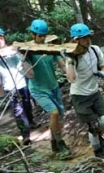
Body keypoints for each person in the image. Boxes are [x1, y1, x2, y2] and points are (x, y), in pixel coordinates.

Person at [63, 23, 104, 161]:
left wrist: (102, 73)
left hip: (94, 92)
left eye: (88, 36)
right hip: (80, 96)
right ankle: (98, 152)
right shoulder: (72, 57)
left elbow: (103, 65)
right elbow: (71, 79)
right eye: (84, 38)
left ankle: (97, 135)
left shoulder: (95, 50)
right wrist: (69, 60)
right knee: (93, 125)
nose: (87, 40)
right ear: (76, 40)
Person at [25, 19, 72, 159]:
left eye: (44, 36)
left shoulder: (50, 48)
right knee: (54, 113)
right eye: (39, 36)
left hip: (53, 86)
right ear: (33, 35)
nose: (42, 38)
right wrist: (22, 58)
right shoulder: (28, 51)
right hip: (38, 89)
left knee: (59, 117)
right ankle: (61, 143)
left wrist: (71, 77)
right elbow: (30, 74)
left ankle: (54, 142)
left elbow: (62, 65)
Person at [0, 28, 37, 144]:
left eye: (1, 37)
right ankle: (25, 134)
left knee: (26, 104)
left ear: (4, 37)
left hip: (21, 82)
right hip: (9, 86)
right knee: (18, 111)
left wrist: (18, 54)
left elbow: (22, 62)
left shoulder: (13, 49)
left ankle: (31, 121)